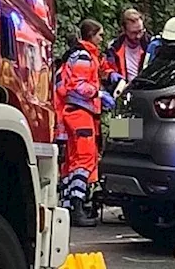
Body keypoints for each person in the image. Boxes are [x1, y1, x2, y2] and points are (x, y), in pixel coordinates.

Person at [55, 19, 116, 226]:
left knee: (73, 161)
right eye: (100, 35)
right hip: (84, 113)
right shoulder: (84, 56)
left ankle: (69, 206)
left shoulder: (87, 55)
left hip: (81, 114)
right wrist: (100, 93)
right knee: (84, 159)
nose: (102, 38)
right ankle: (77, 205)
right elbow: (78, 85)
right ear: (91, 35)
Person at [105, 8, 152, 87]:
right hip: (122, 90)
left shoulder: (151, 45)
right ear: (124, 29)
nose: (138, 36)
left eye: (140, 31)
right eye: (133, 33)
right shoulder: (114, 48)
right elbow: (107, 70)